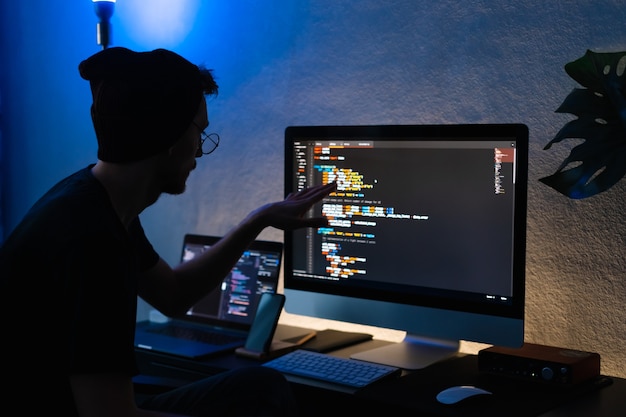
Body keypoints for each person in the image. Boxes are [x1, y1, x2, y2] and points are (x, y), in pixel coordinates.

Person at [0, 47, 336, 416]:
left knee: (260, 387)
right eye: (200, 132)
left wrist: (259, 219)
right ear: (170, 136)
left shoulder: (99, 201)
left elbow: (173, 295)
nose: (200, 152)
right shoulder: (92, 241)